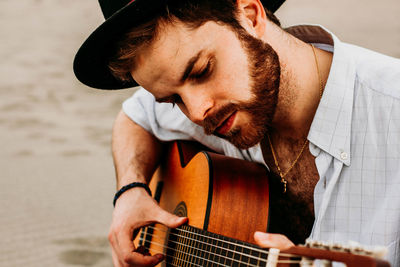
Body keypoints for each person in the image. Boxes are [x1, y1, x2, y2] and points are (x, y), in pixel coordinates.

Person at [73, 0, 400, 266]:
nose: (198, 113)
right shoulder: (214, 103)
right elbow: (135, 118)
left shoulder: (391, 114)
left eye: (202, 71)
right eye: (173, 99)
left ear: (250, 15)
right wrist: (130, 191)